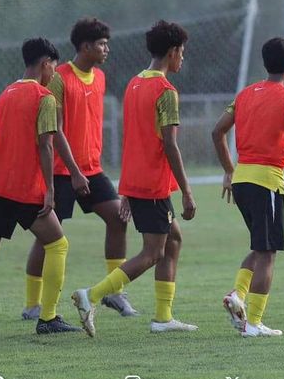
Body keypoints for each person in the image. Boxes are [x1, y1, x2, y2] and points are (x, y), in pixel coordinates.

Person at [72, 20, 197, 337]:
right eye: (182, 52)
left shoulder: (134, 84)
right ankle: (94, 295)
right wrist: (186, 191)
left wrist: (126, 189)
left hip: (138, 181)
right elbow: (169, 144)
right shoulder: (166, 92)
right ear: (172, 52)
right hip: (154, 184)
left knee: (175, 240)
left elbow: (133, 140)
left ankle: (163, 317)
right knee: (153, 252)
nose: (183, 58)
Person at [0, 37, 80, 339]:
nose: (54, 74)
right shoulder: (43, 96)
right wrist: (49, 188)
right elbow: (46, 145)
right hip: (24, 188)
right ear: (46, 63)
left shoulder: (6, 93)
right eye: (54, 68)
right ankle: (48, 317)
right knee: (58, 245)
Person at [22, 17, 136, 320]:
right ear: (85, 46)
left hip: (92, 169)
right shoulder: (59, 77)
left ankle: (114, 292)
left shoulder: (99, 77)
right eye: (101, 44)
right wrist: (73, 170)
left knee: (118, 219)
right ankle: (33, 304)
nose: (106, 49)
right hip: (62, 171)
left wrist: (85, 168)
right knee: (47, 237)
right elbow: (55, 129)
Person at [212, 37, 284, 337]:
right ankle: (253, 324)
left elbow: (217, 132)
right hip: (266, 181)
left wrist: (230, 171)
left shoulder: (244, 94)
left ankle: (237, 295)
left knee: (259, 246)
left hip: (242, 179)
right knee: (268, 253)